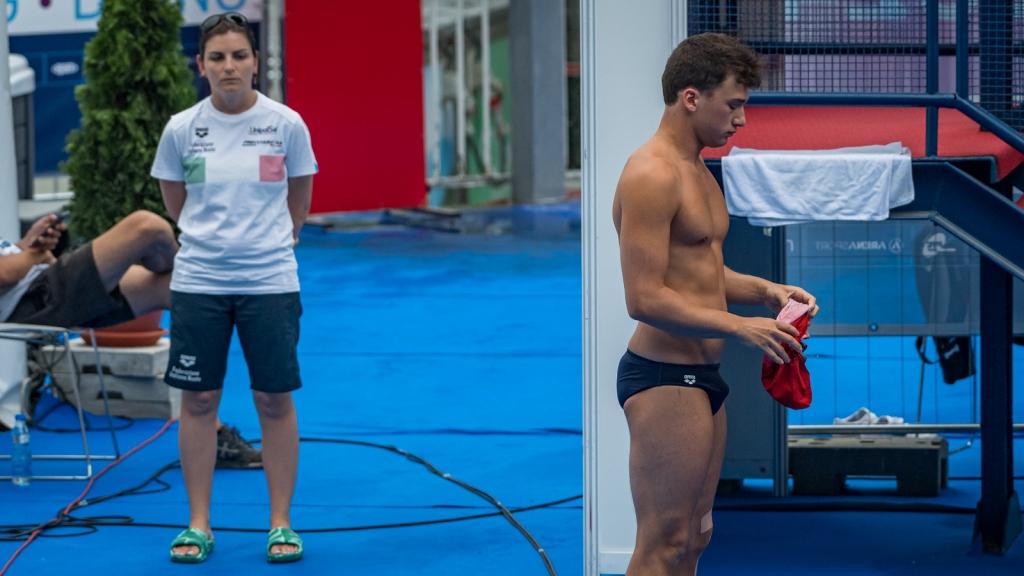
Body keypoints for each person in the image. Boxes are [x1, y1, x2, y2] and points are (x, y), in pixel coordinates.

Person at [612, 33, 819, 575]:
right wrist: (739, 326)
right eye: (733, 105)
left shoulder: (697, 170)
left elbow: (703, 274)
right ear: (691, 98)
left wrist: (768, 291)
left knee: (696, 536)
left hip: (703, 377)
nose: (741, 120)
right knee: (664, 541)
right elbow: (644, 296)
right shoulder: (651, 174)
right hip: (664, 376)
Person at [151, 11, 316, 564]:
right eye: (217, 57)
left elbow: (299, 198)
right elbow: (177, 203)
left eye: (239, 56)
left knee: (273, 398)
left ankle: (281, 523)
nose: (229, 67)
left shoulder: (286, 124)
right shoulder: (181, 129)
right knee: (198, 400)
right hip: (199, 282)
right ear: (201, 65)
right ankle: (198, 524)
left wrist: (273, 240)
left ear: (255, 62)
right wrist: (213, 242)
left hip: (270, 281)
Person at [0, 212, 263, 468]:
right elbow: (4, 274)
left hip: (38, 286)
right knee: (146, 227)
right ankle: (195, 273)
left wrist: (25, 245)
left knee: (182, 289)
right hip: (34, 299)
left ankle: (210, 433)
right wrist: (35, 255)